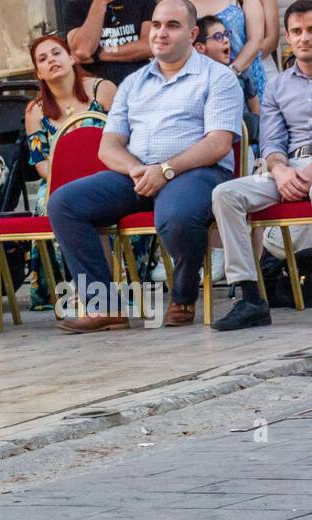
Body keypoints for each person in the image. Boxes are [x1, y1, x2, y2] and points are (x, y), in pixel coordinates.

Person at [48, 0, 244, 332]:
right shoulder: (134, 83)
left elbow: (218, 144)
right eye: (155, 25)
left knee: (176, 215)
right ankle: (104, 306)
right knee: (64, 203)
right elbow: (108, 147)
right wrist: (136, 169)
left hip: (197, 172)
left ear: (193, 32)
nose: (161, 33)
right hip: (138, 174)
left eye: (172, 26)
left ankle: (182, 297)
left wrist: (165, 169)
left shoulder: (218, 77)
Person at [211, 0, 312, 330]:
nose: (304, 38)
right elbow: (271, 142)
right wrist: (280, 170)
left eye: (310, 30)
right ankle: (251, 297)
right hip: (290, 166)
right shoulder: (278, 86)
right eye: (296, 31)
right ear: (286, 36)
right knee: (226, 194)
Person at [24, 34, 117, 309]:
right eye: (43, 59)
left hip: (108, 175)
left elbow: (125, 138)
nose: (51, 60)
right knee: (51, 203)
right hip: (57, 181)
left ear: (72, 57)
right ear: (38, 72)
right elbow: (41, 164)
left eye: (56, 53)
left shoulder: (103, 90)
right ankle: (75, 285)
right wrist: (69, 180)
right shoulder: (35, 111)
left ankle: (115, 281)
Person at [194, 0, 268, 104]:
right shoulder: (177, 3)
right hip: (204, 83)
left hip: (246, 77)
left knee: (253, 118)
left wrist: (231, 72)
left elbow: (256, 40)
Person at [196, 13, 261, 131]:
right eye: (218, 36)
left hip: (241, 136)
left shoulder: (241, 72)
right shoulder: (196, 77)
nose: (226, 40)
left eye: (226, 35)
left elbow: (254, 102)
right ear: (200, 48)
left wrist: (257, 131)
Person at [63, 0, 154, 83]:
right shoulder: (75, 5)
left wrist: (97, 54)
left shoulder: (144, 2)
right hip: (98, 88)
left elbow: (149, 47)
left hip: (139, 83)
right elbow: (82, 50)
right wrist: (100, 3)